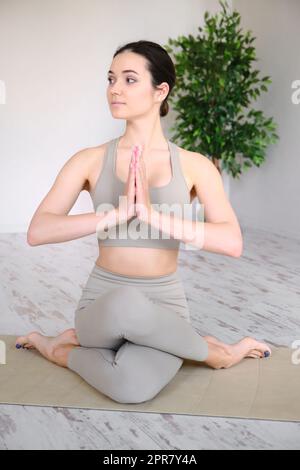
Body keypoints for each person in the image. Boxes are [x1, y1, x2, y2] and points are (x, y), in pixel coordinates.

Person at [16, 40, 271, 404]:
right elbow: (38, 231)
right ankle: (215, 353)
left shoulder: (194, 165)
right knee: (126, 304)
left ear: (160, 91)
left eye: (129, 79)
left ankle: (58, 350)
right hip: (102, 306)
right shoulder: (88, 160)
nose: (114, 89)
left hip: (165, 306)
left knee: (130, 388)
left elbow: (232, 242)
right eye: (110, 78)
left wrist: (153, 216)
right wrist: (115, 215)